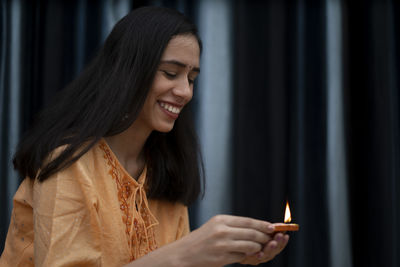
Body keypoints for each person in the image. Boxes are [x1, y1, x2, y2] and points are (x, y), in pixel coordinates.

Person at [0, 6, 289, 267]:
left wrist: (221, 255)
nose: (185, 92)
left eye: (191, 78)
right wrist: (185, 253)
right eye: (170, 73)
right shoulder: (69, 164)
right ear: (129, 71)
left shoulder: (166, 171)